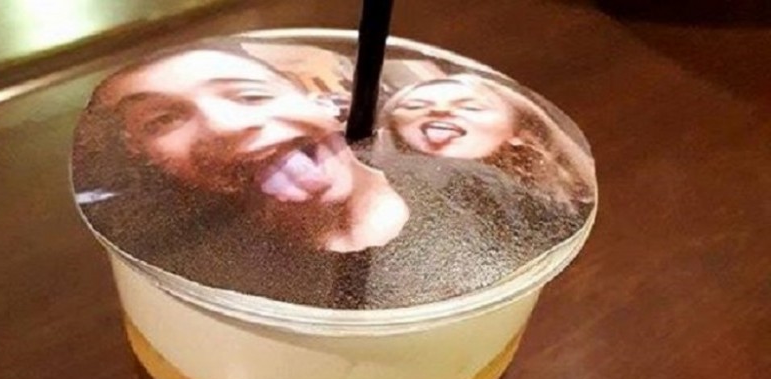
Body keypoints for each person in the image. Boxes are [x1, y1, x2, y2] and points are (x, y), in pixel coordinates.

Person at [74, 39, 409, 255]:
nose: (225, 125)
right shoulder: (189, 257)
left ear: (321, 104)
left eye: (252, 95)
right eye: (163, 120)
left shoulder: (436, 182)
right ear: (146, 156)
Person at [379, 74, 595, 211]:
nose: (440, 111)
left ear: (520, 131)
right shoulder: (386, 185)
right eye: (415, 106)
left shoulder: (541, 205)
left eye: (471, 107)